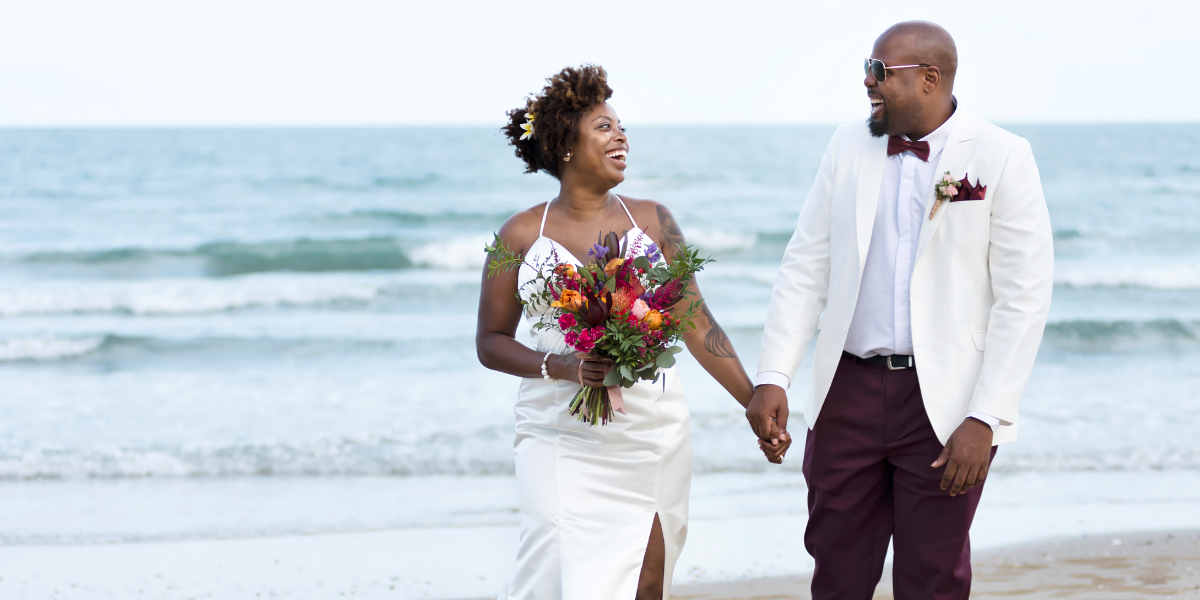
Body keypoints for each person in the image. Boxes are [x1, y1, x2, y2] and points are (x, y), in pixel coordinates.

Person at [745, 21, 1054, 599]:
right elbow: (805, 266)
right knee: (836, 571)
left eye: (881, 71)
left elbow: (1024, 298)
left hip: (945, 407)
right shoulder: (846, 145)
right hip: (846, 395)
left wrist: (987, 417)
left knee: (933, 578)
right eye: (868, 67)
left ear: (930, 79)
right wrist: (773, 374)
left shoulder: (1003, 155)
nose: (869, 82)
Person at [477, 64, 774, 600]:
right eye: (604, 127)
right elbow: (490, 341)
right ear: (566, 146)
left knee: (647, 575)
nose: (621, 136)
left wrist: (752, 401)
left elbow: (695, 319)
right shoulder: (519, 233)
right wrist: (560, 366)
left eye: (621, 126)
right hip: (556, 430)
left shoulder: (654, 220)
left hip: (650, 429)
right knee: (553, 566)